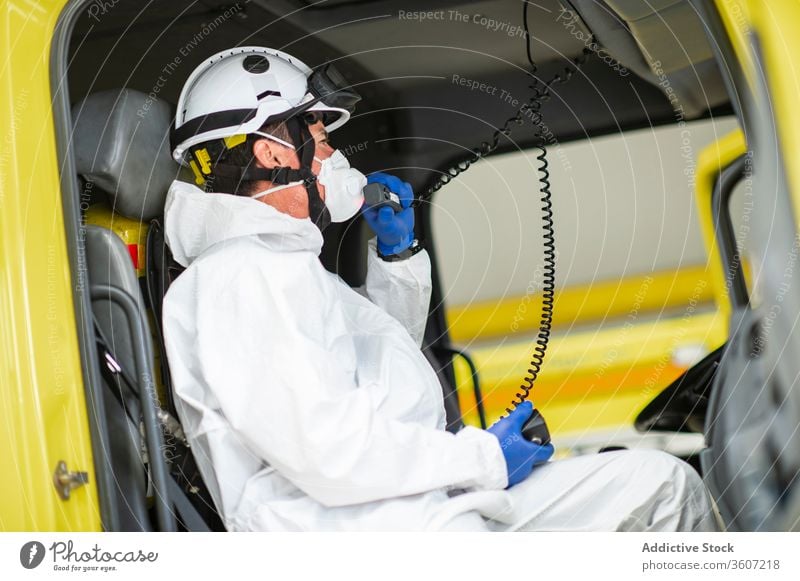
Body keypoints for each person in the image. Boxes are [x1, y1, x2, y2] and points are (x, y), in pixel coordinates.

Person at [162, 46, 720, 532]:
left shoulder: (281, 264)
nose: (334, 153)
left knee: (661, 485)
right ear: (272, 153)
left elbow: (377, 366)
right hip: (360, 534)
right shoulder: (242, 277)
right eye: (319, 135)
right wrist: (483, 458)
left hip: (408, 508)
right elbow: (328, 450)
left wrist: (398, 259)